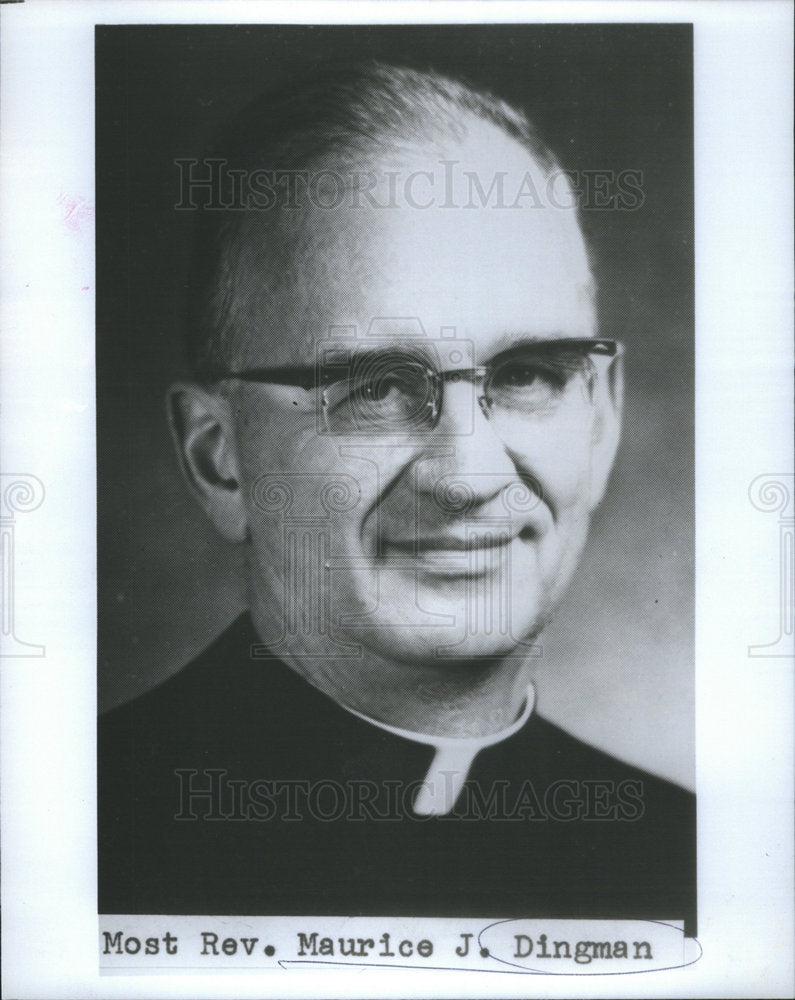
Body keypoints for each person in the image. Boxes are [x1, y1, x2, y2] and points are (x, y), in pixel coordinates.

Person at [98, 62, 696, 932]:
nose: (467, 474)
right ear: (219, 458)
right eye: (375, 388)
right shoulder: (65, 842)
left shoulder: (693, 865)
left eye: (527, 374)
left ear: (600, 421)